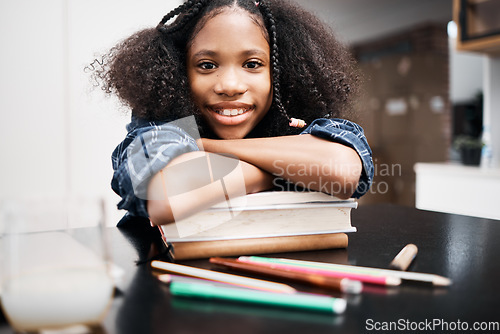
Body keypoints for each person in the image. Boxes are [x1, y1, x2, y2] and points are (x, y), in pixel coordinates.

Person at [91, 0, 374, 226]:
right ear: (180, 73)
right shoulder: (165, 128)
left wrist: (209, 148)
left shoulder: (300, 121)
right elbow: (165, 196)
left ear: (281, 73)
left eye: (252, 64)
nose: (229, 86)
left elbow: (342, 170)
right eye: (206, 65)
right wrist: (281, 171)